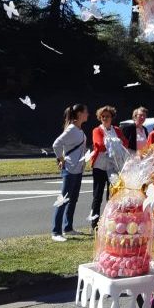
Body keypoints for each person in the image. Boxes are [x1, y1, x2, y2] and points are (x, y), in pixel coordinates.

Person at [51, 104, 88, 242]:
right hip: (70, 169)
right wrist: (61, 158)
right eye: (85, 112)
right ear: (79, 114)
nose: (87, 114)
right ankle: (56, 232)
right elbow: (56, 144)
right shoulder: (72, 129)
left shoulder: (78, 129)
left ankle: (68, 227)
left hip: (77, 169)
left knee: (73, 199)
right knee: (63, 200)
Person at [90, 106, 128, 230]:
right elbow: (99, 145)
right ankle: (94, 223)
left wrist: (112, 143)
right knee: (98, 195)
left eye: (107, 116)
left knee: (113, 194)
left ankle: (111, 220)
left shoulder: (116, 129)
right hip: (100, 167)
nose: (105, 118)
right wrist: (115, 143)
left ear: (112, 118)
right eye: (103, 117)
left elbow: (125, 143)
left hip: (114, 167)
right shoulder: (97, 130)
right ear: (100, 118)